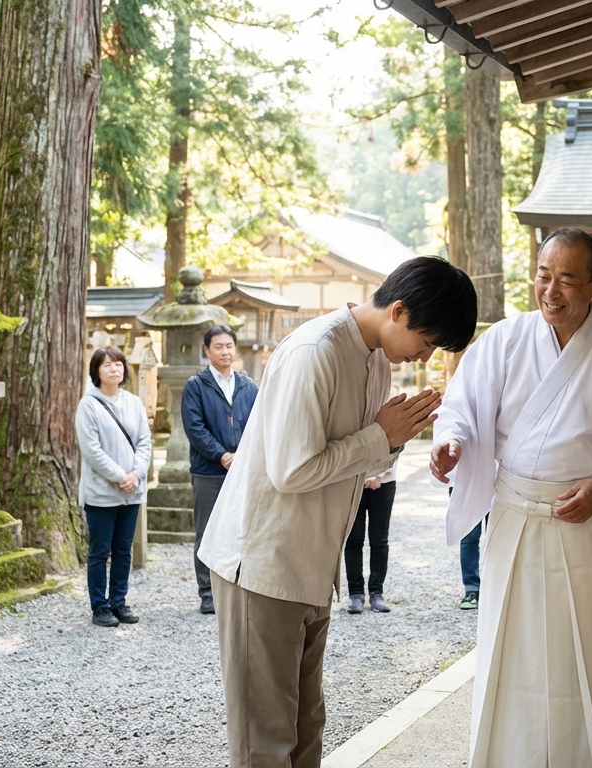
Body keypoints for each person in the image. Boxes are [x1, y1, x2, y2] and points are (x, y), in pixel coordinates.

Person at [198, 256, 477, 767]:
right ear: (398, 311)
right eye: (429, 341)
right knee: (266, 739)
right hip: (262, 562)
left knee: (306, 728)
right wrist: (381, 438)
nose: (425, 355)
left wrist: (391, 443)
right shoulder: (315, 351)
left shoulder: (374, 359)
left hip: (310, 563)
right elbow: (293, 470)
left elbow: (360, 456)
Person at [430, 228, 592, 768]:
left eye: (567, 279)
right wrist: (451, 442)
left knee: (587, 654)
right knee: (513, 654)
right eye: (542, 274)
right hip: (515, 519)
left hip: (585, 521)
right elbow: (461, 405)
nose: (550, 290)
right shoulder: (505, 341)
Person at [181, 325, 258, 615]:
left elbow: (258, 425)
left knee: (242, 530)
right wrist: (222, 455)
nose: (225, 351)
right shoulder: (196, 386)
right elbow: (195, 429)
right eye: (218, 346)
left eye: (229, 346)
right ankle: (208, 594)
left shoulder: (248, 386)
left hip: (243, 471)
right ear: (207, 351)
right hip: (209, 472)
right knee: (207, 532)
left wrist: (243, 456)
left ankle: (239, 586)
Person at [75, 346, 154, 628]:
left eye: (118, 364)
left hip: (131, 491)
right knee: (100, 550)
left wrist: (136, 473)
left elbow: (144, 441)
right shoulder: (89, 405)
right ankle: (100, 606)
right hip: (102, 493)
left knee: (124, 549)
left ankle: (119, 601)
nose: (115, 369)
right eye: (107, 365)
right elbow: (92, 450)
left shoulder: (133, 402)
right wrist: (121, 475)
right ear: (96, 371)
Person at [343, 468, 397, 614]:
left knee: (379, 540)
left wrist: (376, 474)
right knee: (353, 540)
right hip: (352, 481)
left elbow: (395, 448)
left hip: (384, 482)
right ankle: (355, 594)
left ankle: (376, 593)